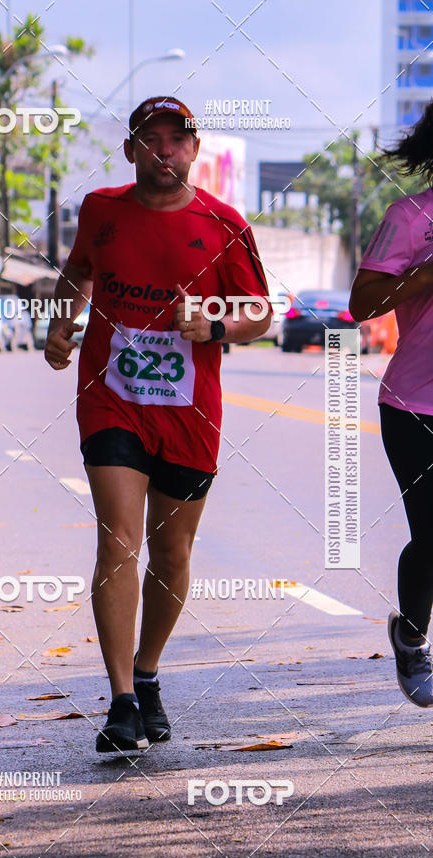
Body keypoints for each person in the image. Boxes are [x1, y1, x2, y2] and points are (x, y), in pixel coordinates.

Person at [46, 96, 271, 752]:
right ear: (131, 150)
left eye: (177, 139)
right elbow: (79, 272)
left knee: (171, 552)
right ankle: (119, 701)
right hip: (111, 398)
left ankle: (147, 675)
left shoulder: (223, 224)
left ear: (194, 151)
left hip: (190, 412)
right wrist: (62, 325)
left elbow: (262, 313)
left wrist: (216, 326)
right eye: (151, 138)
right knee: (118, 538)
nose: (164, 150)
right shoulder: (101, 210)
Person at [349, 100, 433, 707]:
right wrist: (426, 276)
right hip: (415, 407)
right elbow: (363, 303)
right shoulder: (411, 218)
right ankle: (411, 635)